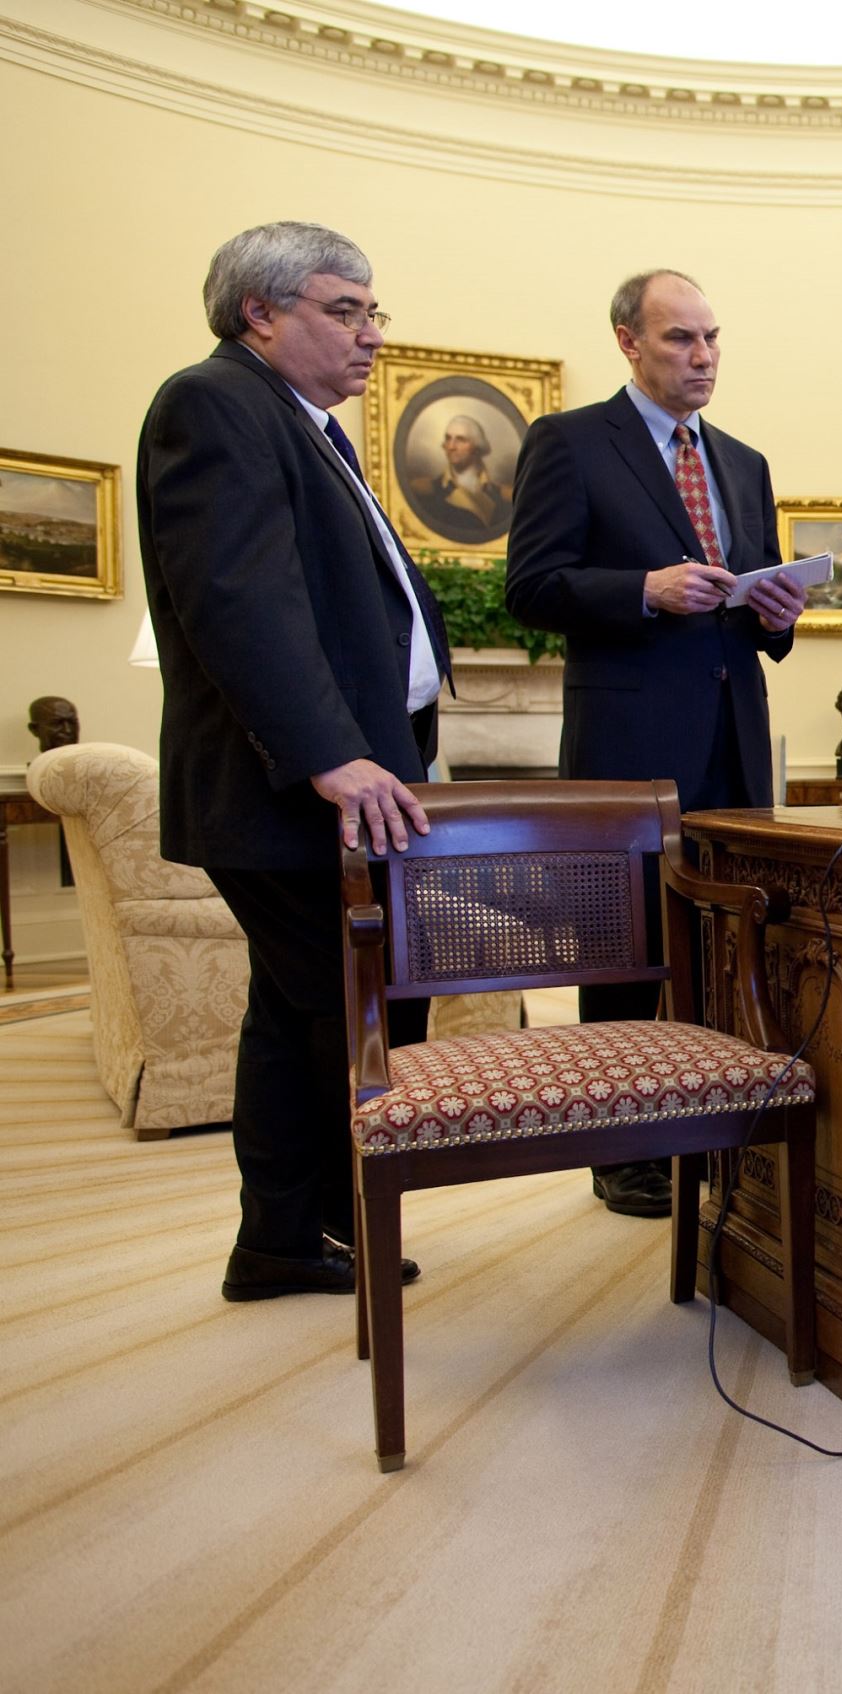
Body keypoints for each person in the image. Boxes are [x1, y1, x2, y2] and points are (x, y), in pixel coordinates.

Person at [135, 221, 449, 1299]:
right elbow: (236, 599)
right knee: (334, 1008)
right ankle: (308, 1223)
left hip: (350, 782)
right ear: (259, 314)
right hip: (292, 789)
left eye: (374, 312)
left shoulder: (304, 424)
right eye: (343, 310)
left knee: (301, 1004)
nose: (370, 335)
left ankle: (285, 1233)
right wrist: (331, 755)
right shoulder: (214, 402)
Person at [505, 268, 806, 1218]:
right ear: (629, 343)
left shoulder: (745, 462)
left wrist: (779, 610)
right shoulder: (569, 443)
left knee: (728, 928)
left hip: (732, 736)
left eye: (713, 338)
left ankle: (711, 1123)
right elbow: (533, 586)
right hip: (629, 736)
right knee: (627, 936)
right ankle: (624, 1149)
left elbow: (760, 619)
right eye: (681, 339)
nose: (704, 356)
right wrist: (644, 588)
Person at [405, 412, 513, 544]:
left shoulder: (505, 496)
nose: (451, 446)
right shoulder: (426, 491)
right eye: (448, 439)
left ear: (476, 446)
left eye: (460, 440)